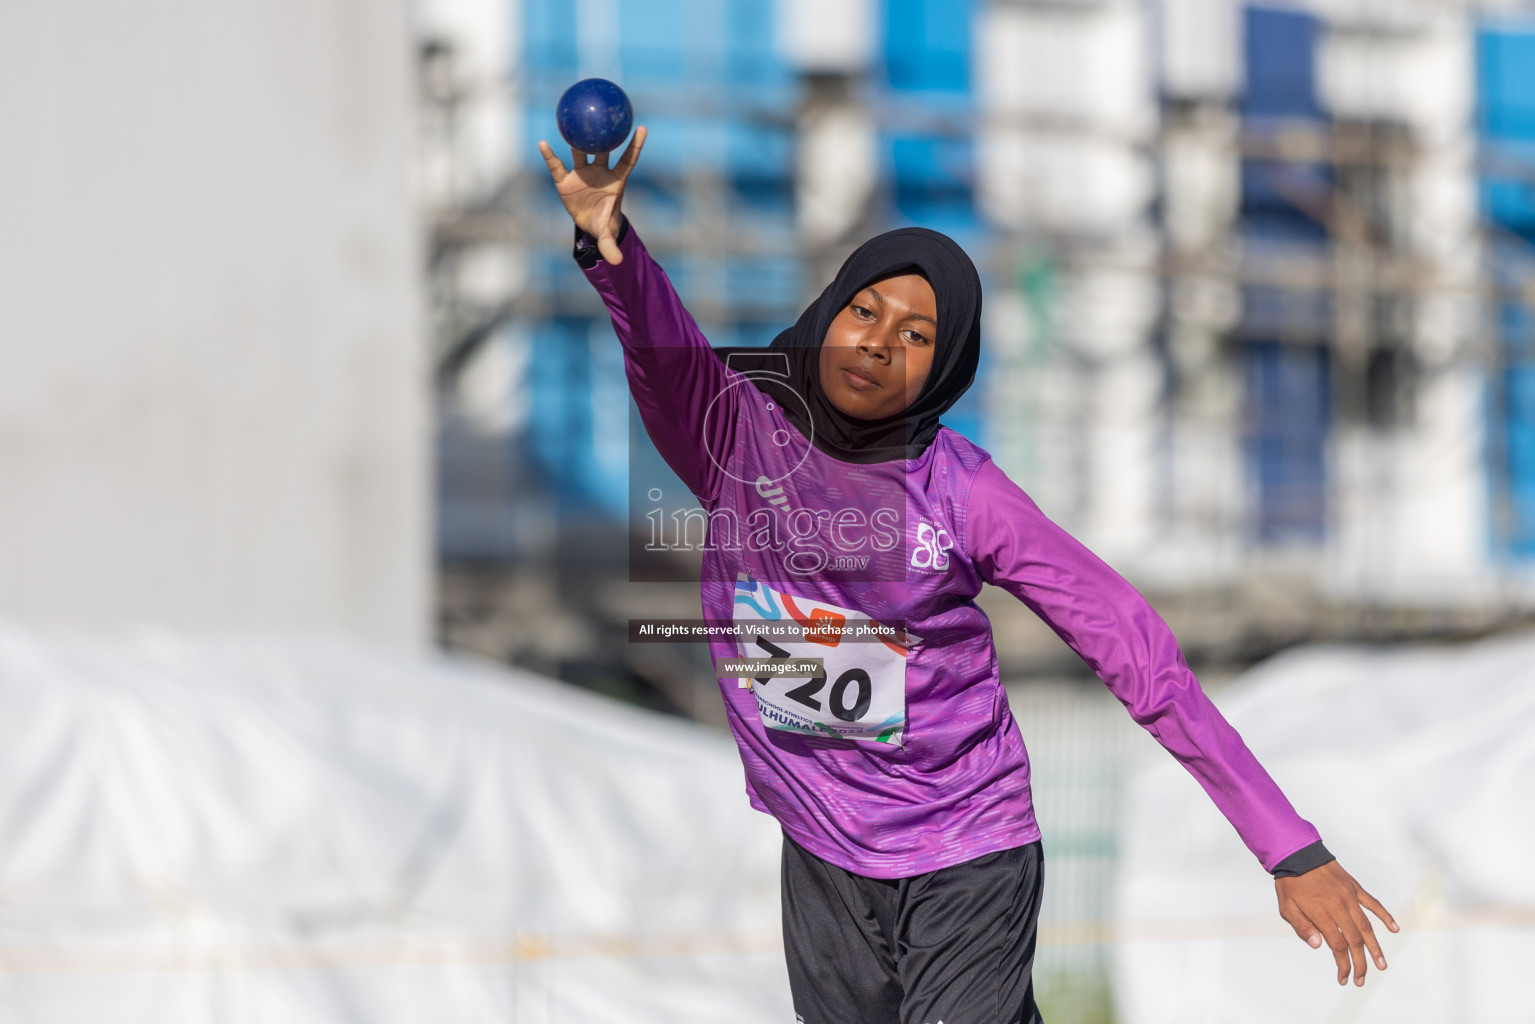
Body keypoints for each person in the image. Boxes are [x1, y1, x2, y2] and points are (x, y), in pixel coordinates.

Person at [538, 126, 1398, 1024]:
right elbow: (659, 347)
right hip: (823, 847)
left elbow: (1136, 651)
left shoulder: (961, 492)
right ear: (828, 309)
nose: (876, 343)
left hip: (966, 844)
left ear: (942, 369)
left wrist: (1287, 847)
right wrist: (612, 246)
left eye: (915, 335)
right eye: (864, 311)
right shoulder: (735, 437)